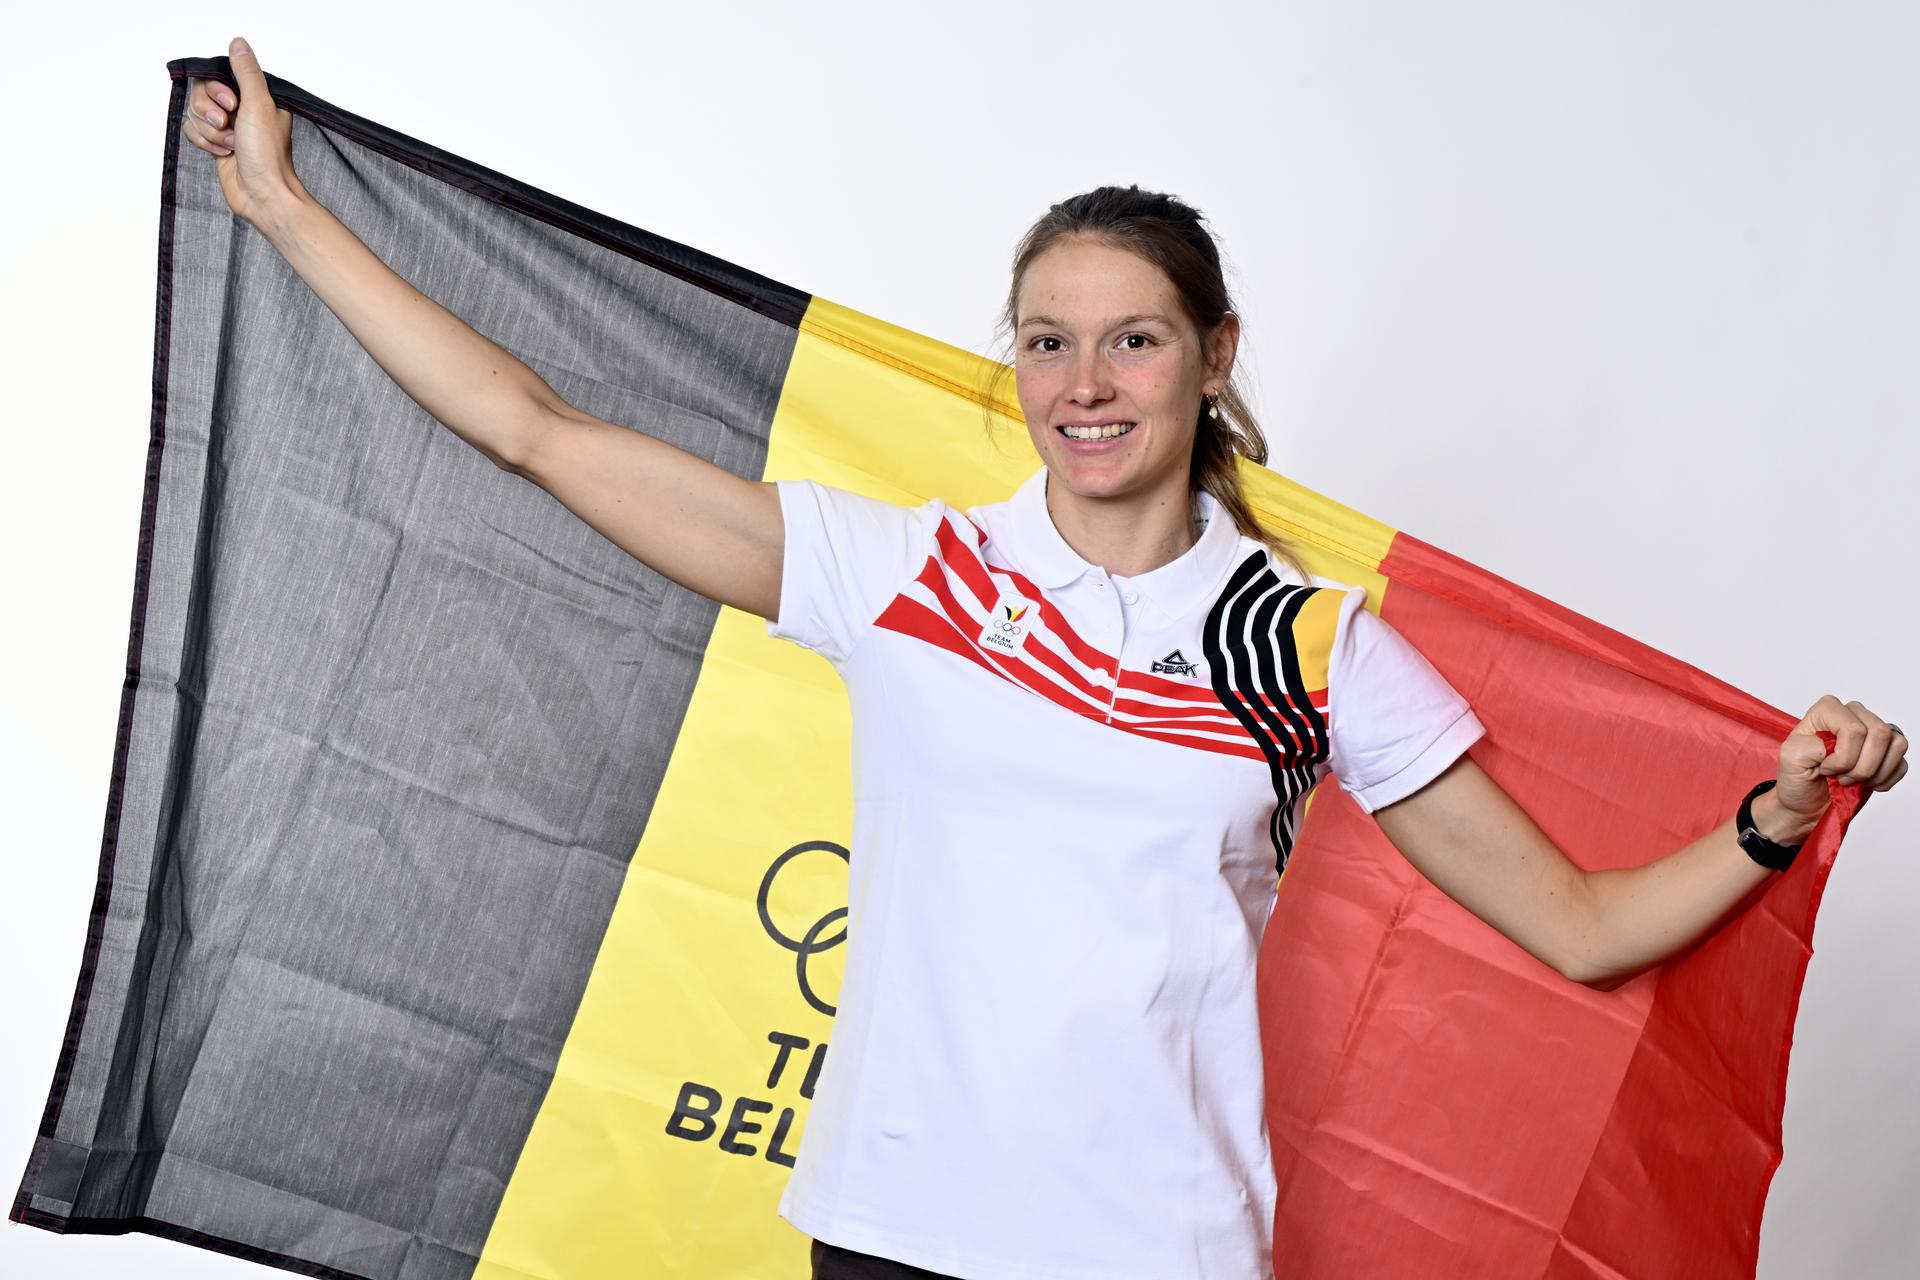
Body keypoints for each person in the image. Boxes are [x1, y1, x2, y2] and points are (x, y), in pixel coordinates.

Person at [185, 36, 1908, 1280]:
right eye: (1047, 342)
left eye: (1134, 340)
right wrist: (282, 211)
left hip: (1157, 1253)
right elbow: (536, 432)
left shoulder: (1307, 646)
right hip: (888, 1233)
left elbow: (1582, 928)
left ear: (1215, 355)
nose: (1085, 385)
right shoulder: (905, 572)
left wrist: (1771, 819)